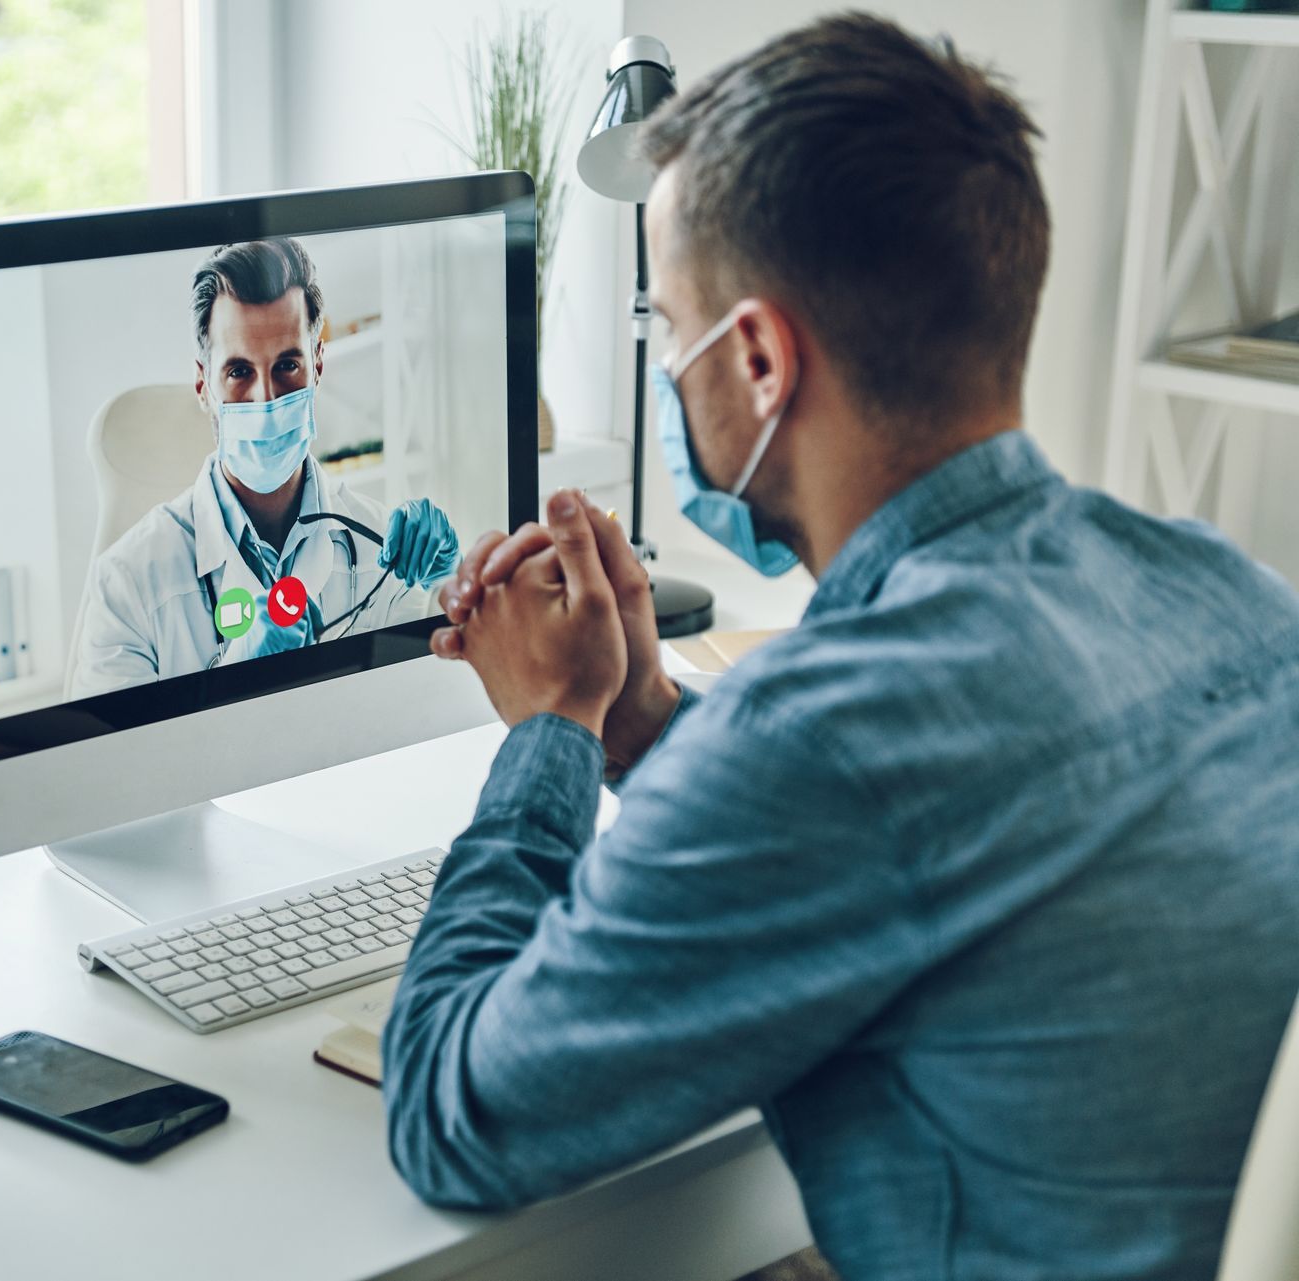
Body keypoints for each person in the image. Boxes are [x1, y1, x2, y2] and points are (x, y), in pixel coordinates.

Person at [381, 15, 1299, 1281]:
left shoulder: (822, 740)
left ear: (754, 358)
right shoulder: (1234, 591)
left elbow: (450, 1115)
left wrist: (552, 728)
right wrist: (645, 722)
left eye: (665, 320)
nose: (662, 358)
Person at [67, 239, 461, 698]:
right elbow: (113, 762)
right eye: (238, 372)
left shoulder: (381, 552)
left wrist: (454, 586)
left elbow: (420, 709)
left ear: (316, 367)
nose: (266, 399)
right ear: (203, 385)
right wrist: (231, 681)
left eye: (287, 366)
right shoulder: (127, 583)